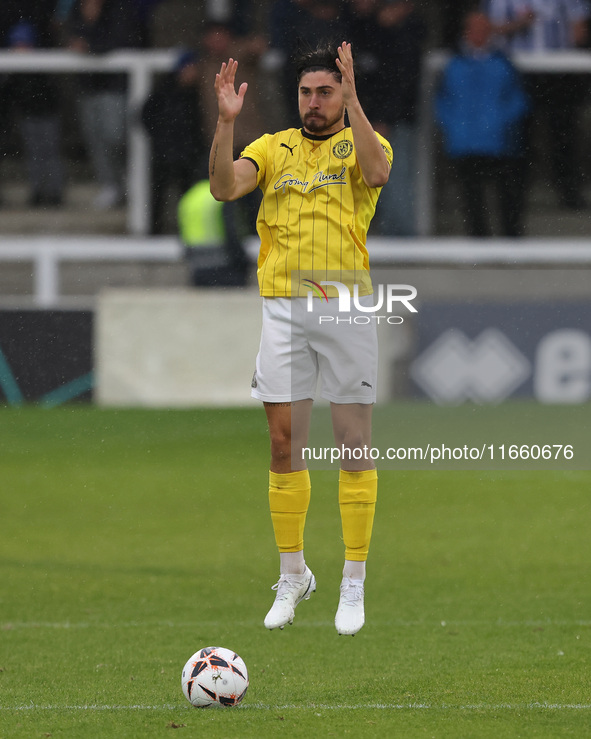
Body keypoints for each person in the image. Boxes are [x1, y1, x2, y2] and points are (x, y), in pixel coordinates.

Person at [209, 42, 392, 635]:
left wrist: (357, 100)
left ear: (342, 94)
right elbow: (222, 187)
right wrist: (226, 123)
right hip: (284, 309)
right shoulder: (273, 148)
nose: (314, 103)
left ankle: (354, 583)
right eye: (306, 93)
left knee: (352, 445)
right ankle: (293, 574)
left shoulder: (364, 140)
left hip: (344, 304)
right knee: (284, 444)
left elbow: (378, 174)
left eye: (326, 92)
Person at [482, 0, 591, 210]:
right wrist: (518, 24)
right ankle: (515, 197)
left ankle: (569, 193)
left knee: (563, 134)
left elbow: (579, 27)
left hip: (558, 72)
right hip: (517, 72)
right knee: (519, 135)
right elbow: (486, 28)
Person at [435, 11, 530, 237]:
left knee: (507, 197)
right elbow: (442, 101)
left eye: (484, 29)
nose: (479, 34)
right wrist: (454, 127)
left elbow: (518, 100)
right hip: (464, 142)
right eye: (474, 29)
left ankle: (510, 243)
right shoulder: (453, 63)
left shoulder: (503, 62)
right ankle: (479, 243)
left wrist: (502, 123)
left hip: (499, 142)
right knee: (471, 198)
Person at [65, 0, 143, 210]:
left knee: (115, 137)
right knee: (95, 139)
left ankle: (129, 182)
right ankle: (111, 186)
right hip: (88, 85)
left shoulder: (119, 8)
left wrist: (90, 44)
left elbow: (123, 40)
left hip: (114, 86)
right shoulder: (76, 8)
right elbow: (70, 36)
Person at [141, 50, 206, 234]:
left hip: (187, 156)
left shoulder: (196, 95)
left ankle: (186, 232)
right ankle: (155, 232)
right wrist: (161, 140)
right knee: (158, 197)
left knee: (186, 197)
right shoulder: (163, 92)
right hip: (165, 155)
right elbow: (145, 116)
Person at [4, 21, 65, 208]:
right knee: (34, 154)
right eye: (17, 44)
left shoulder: (41, 64)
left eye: (23, 44)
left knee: (50, 153)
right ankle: (38, 192)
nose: (20, 48)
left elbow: (52, 92)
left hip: (47, 115)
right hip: (27, 116)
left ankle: (55, 193)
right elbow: (10, 94)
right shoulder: (13, 69)